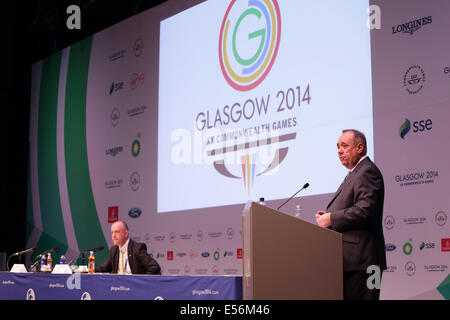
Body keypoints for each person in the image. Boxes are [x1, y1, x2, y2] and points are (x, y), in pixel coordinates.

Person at [315, 129, 386, 300]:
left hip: (365, 263)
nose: (339, 150)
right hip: (354, 262)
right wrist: (329, 214)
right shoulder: (356, 172)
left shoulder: (367, 171)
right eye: (338, 147)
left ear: (360, 147)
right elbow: (355, 206)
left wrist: (331, 218)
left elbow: (365, 210)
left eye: (344, 146)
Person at [96, 220, 161, 275]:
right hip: (117, 287)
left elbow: (154, 267)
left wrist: (141, 281)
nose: (113, 236)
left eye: (117, 232)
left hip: (134, 287)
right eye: (112, 232)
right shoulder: (114, 250)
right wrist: (89, 270)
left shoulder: (137, 249)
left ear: (126, 234)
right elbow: (104, 268)